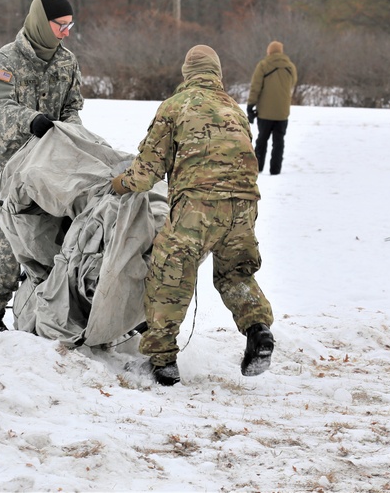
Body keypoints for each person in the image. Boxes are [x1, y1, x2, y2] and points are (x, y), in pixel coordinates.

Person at [111, 45, 275, 386]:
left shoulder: (174, 107)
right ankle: (258, 330)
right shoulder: (235, 109)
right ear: (217, 73)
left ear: (187, 73)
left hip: (198, 206)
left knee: (170, 275)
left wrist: (119, 184)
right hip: (245, 205)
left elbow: (146, 172)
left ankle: (162, 362)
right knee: (236, 275)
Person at [0, 0, 84, 333]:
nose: (67, 32)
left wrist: (72, 135)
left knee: (58, 226)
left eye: (71, 25)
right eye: (61, 25)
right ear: (42, 22)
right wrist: (31, 120)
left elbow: (73, 107)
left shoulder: (67, 61)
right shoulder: (7, 60)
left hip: (52, 156)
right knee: (12, 231)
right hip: (13, 158)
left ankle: (49, 309)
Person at [246, 40, 297, 175]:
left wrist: (250, 105)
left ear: (269, 51)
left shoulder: (263, 65)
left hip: (265, 112)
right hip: (282, 112)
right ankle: (275, 169)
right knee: (279, 141)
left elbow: (255, 87)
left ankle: (258, 167)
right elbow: (292, 83)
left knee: (262, 139)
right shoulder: (290, 66)